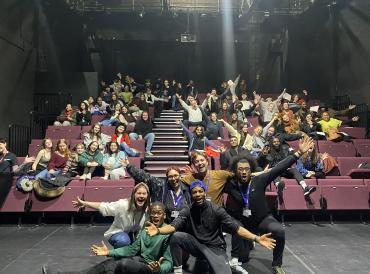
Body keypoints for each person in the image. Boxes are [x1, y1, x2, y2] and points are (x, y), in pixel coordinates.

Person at [223, 137, 315, 274]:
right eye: (240, 169)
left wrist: (298, 153)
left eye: (247, 169)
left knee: (279, 230)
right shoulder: (230, 184)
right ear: (235, 171)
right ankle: (249, 242)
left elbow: (279, 168)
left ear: (251, 170)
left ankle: (277, 264)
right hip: (243, 222)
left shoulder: (260, 179)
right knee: (244, 258)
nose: (243, 172)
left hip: (262, 219)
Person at [145, 180, 276, 274]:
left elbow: (237, 229)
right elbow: (173, 226)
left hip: (215, 247)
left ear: (205, 192)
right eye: (194, 192)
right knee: (176, 236)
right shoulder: (187, 210)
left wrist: (256, 239)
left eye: (200, 191)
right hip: (197, 245)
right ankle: (178, 270)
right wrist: (158, 230)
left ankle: (215, 262)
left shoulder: (217, 210)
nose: (197, 194)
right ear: (191, 195)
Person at [72, 182, 150, 249]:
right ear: (133, 195)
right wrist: (85, 203)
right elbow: (104, 206)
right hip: (120, 232)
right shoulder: (122, 205)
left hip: (135, 234)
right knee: (123, 241)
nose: (141, 196)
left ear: (147, 196)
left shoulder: (149, 209)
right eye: (139, 193)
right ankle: (118, 258)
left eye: (144, 194)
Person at [124, 161, 191, 223]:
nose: (173, 179)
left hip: (184, 224)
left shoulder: (187, 188)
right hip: (164, 223)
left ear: (180, 175)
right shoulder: (160, 186)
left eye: (175, 175)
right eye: (170, 177)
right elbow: (145, 177)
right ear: (167, 178)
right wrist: (129, 166)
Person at [0, 138, 19, 207]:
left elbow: (15, 169)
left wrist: (24, 163)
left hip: (5, 176)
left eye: (0, 144)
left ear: (5, 144)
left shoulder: (11, 156)